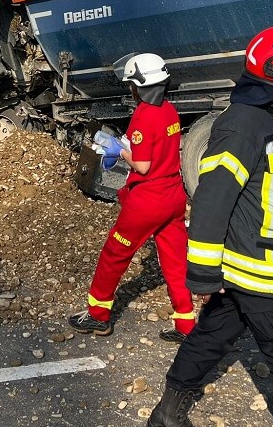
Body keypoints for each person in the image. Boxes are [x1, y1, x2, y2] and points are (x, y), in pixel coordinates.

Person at [147, 26, 273, 427]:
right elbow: (212, 202)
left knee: (214, 333)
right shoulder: (241, 127)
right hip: (253, 264)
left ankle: (167, 412)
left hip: (255, 261)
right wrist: (201, 272)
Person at [68, 53, 195, 342]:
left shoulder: (143, 115)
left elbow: (143, 165)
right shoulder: (169, 110)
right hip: (173, 195)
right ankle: (186, 324)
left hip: (147, 200)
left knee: (115, 254)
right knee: (175, 262)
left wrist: (118, 150)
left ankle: (98, 316)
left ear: (138, 86)